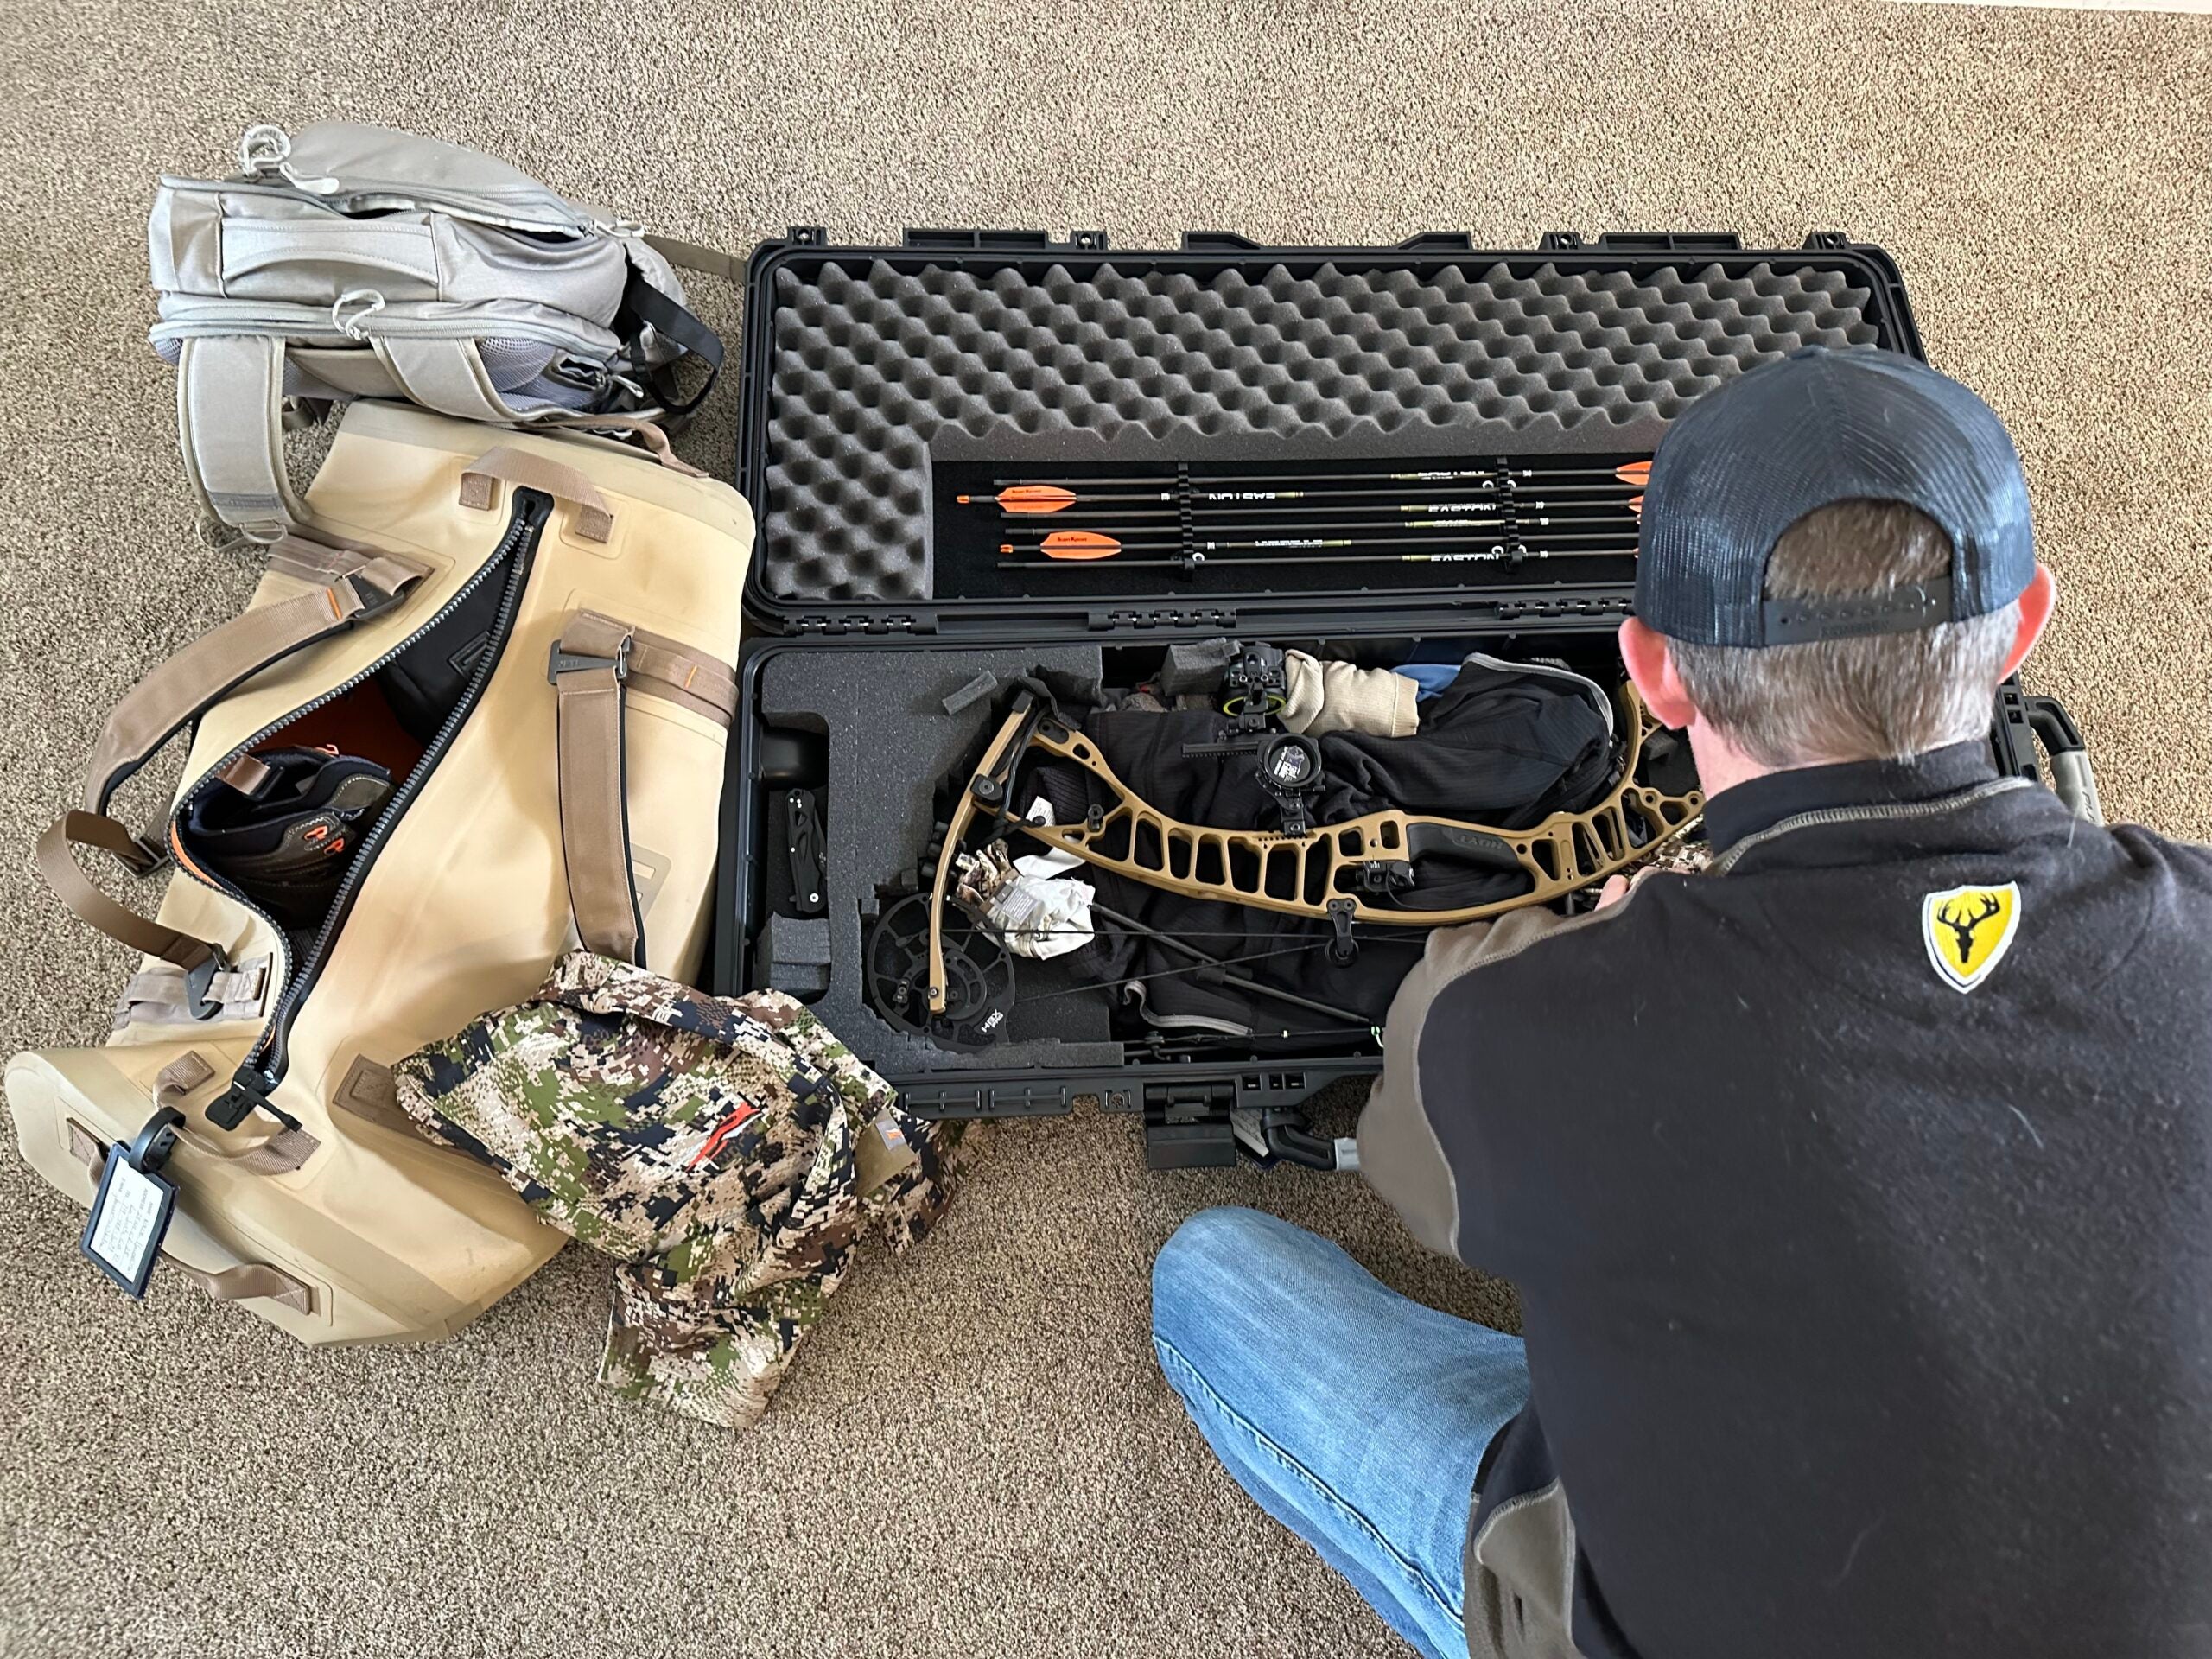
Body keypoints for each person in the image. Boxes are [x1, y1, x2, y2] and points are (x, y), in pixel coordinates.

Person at [1148, 346, 2212, 1659]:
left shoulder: (1542, 1023)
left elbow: (1418, 1156)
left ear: (1652, 673)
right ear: (2026, 624)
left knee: (1213, 1279)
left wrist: (1577, 958)